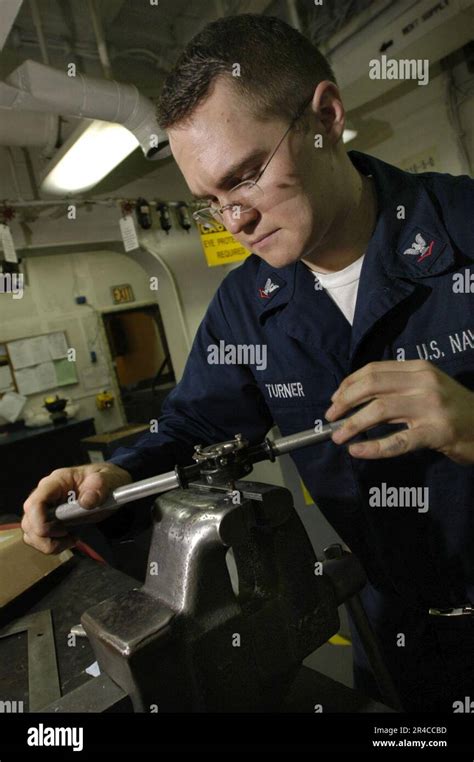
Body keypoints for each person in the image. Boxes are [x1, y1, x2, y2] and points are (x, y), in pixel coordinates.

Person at [22, 14, 474, 712]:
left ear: (325, 116)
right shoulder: (248, 303)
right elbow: (192, 426)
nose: (234, 221)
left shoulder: (465, 230)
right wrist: (111, 477)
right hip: (395, 632)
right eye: (209, 202)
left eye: (246, 177)